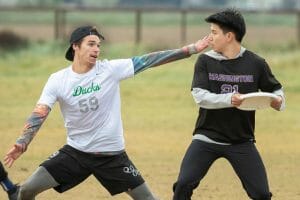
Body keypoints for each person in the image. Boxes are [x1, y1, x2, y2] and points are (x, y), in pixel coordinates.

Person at [4, 25, 209, 200]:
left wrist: (190, 49)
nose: (96, 49)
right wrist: (23, 141)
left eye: (98, 45)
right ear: (75, 46)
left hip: (112, 156)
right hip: (75, 153)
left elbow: (150, 60)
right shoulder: (58, 80)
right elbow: (40, 112)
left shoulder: (110, 70)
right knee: (26, 191)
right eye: (91, 44)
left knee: (148, 198)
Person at [172, 8, 285, 200]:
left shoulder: (256, 63)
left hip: (241, 141)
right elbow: (199, 96)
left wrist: (278, 102)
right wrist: (230, 99)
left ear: (229, 36)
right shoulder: (205, 61)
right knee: (183, 184)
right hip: (206, 137)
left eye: (214, 32)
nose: (210, 37)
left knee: (261, 194)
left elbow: (276, 91)